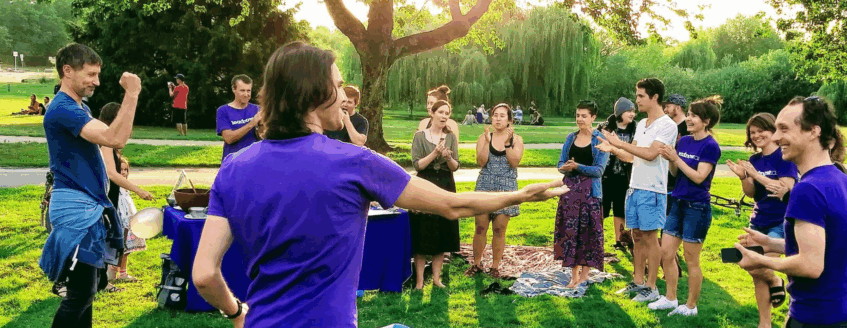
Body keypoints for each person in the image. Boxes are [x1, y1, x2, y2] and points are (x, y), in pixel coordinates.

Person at [191, 42, 567, 328]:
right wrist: (520, 194)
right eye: (338, 86)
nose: (344, 96)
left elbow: (205, 275)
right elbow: (452, 205)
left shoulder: (233, 169)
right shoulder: (355, 162)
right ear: (314, 92)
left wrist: (236, 310)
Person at [733, 96, 847, 328]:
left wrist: (761, 260)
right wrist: (771, 243)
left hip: (820, 317)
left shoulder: (807, 189)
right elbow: (827, 247)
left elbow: (810, 265)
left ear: (813, 131)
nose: (775, 137)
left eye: (784, 129)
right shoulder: (841, 179)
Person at [40, 42, 142, 327]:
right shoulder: (62, 109)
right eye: (91, 74)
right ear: (67, 71)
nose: (97, 81)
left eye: (98, 74)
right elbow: (114, 139)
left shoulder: (80, 106)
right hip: (76, 209)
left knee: (88, 289)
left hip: (88, 207)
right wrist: (132, 94)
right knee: (81, 293)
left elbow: (115, 137)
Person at [597, 78, 678, 304]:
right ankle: (639, 281)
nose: (637, 100)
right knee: (636, 236)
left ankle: (651, 288)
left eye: (641, 96)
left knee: (651, 239)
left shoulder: (667, 125)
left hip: (652, 190)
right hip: (634, 187)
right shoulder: (642, 125)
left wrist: (620, 144)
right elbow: (633, 156)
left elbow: (651, 154)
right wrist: (612, 147)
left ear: (654, 97)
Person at [648, 96, 722, 316]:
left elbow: (699, 177)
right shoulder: (684, 141)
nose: (688, 119)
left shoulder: (711, 146)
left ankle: (691, 306)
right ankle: (670, 298)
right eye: (688, 115)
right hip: (677, 202)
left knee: (691, 259)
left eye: (693, 116)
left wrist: (676, 158)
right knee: (666, 252)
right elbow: (675, 173)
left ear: (706, 121)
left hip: (696, 207)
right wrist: (671, 158)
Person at [726, 112, 798, 328]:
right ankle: (764, 322)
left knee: (756, 264)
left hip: (780, 220)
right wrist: (743, 176)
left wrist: (755, 175)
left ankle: (776, 280)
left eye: (761, 131)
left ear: (773, 130)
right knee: (751, 268)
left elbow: (784, 189)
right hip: (758, 220)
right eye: (753, 132)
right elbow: (750, 194)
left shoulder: (784, 157)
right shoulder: (755, 160)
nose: (757, 136)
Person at [97, 102, 155, 293]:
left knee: (106, 239)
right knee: (103, 239)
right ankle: (101, 282)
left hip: (108, 197)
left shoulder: (110, 140)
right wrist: (138, 190)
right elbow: (112, 174)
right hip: (103, 199)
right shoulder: (105, 140)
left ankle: (102, 281)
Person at [553, 100, 609, 288]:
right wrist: (566, 168)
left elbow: (599, 170)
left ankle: (585, 274)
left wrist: (578, 166)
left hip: (590, 193)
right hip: (570, 192)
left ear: (593, 117)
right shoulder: (571, 137)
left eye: (584, 116)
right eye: (577, 115)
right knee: (571, 233)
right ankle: (573, 275)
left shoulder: (600, 139)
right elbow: (560, 163)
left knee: (588, 234)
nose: (580, 119)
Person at [467, 104, 525, 278]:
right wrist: (485, 142)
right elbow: (481, 161)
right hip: (485, 184)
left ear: (509, 120)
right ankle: (476, 264)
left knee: (499, 228)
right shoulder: (483, 137)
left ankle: (495, 267)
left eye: (502, 116)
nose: (498, 119)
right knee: (480, 226)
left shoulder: (517, 139)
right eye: (495, 115)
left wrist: (507, 144)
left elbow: (514, 163)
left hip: (506, 186)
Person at [410, 100, 462, 289]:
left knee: (442, 231)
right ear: (432, 114)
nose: (444, 116)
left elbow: (456, 166)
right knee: (423, 231)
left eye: (447, 113)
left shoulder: (451, 137)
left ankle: (437, 279)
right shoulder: (419, 136)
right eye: (440, 112)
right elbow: (417, 165)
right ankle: (419, 282)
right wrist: (434, 154)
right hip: (425, 183)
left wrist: (448, 157)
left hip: (446, 184)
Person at [598, 97, 637, 251]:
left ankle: (620, 240)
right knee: (601, 209)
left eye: (633, 111)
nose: (633, 114)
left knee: (620, 209)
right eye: (629, 111)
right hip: (606, 176)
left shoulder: (635, 129)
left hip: (624, 176)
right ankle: (597, 240)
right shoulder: (605, 128)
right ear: (620, 112)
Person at [216, 74, 261, 160]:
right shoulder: (223, 110)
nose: (246, 94)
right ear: (233, 89)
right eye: (242, 90)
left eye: (248, 91)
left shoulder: (258, 109)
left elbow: (265, 136)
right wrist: (252, 123)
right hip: (232, 162)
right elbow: (229, 138)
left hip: (253, 161)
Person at [662, 94, 688, 201]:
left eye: (668, 106)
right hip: (667, 177)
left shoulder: (688, 127)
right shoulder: (669, 127)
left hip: (681, 179)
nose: (665, 110)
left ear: (677, 107)